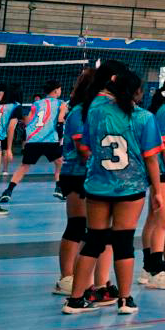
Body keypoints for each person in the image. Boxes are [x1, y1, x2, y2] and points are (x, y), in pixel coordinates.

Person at [62, 60, 160, 317]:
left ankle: (75, 300)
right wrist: (159, 190)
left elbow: (86, 147)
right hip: (130, 186)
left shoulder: (93, 111)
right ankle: (125, 300)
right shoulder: (144, 117)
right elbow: (151, 158)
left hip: (97, 184)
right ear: (136, 92)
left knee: (93, 241)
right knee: (124, 243)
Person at [54, 67, 111, 299]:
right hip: (77, 173)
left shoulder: (97, 111)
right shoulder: (79, 112)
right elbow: (82, 149)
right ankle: (66, 277)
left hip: (94, 174)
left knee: (95, 229)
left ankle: (97, 280)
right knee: (77, 226)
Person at [138, 76, 165, 289]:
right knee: (163, 220)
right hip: (164, 172)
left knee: (153, 219)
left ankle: (148, 268)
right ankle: (156, 269)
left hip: (164, 172)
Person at [0, 82, 66, 203]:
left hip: (33, 139)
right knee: (60, 163)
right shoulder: (61, 103)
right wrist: (61, 137)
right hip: (50, 139)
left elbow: (29, 121)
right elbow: (60, 120)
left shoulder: (36, 104)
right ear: (56, 90)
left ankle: (8, 191)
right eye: (60, 89)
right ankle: (59, 188)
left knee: (24, 166)